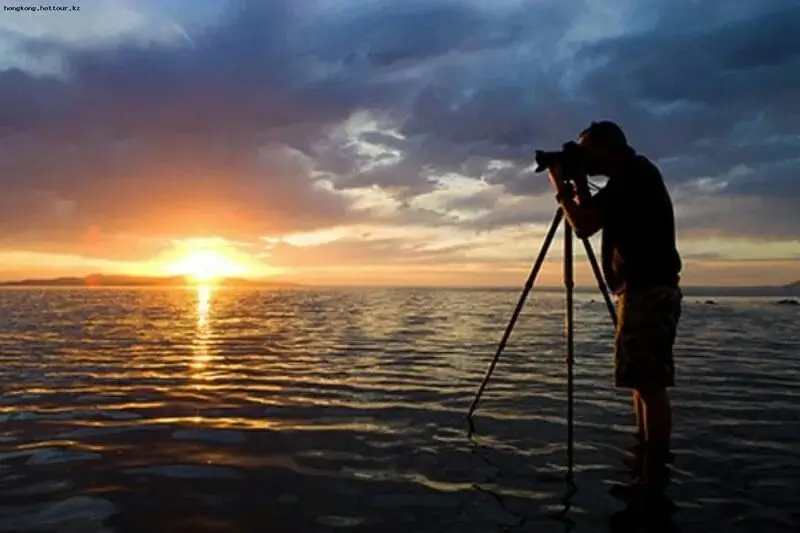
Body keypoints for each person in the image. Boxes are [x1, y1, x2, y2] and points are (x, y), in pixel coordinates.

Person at [547, 120, 683, 482]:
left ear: (604, 149)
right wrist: (577, 184)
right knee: (642, 380)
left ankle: (654, 465)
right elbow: (596, 214)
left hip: (647, 291)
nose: (583, 160)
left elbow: (585, 225)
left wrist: (561, 190)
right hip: (644, 290)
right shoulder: (633, 176)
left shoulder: (631, 179)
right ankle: (645, 453)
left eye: (585, 152)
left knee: (649, 383)